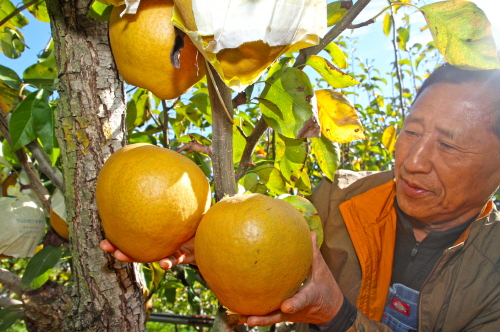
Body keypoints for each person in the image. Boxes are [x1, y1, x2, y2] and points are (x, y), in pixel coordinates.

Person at [101, 63, 500, 332]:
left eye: (449, 147)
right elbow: (261, 263)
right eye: (411, 132)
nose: (413, 162)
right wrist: (206, 239)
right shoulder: (332, 199)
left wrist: (336, 315)